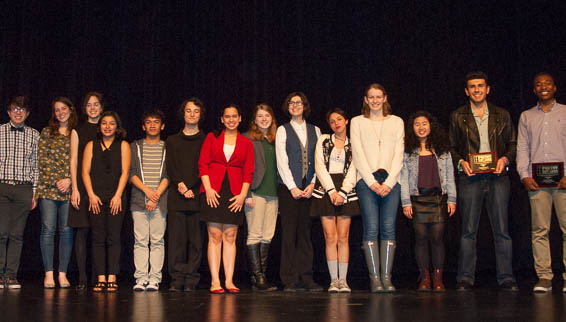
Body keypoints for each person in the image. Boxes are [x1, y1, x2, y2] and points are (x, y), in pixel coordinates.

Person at [448, 71, 518, 291]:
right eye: (472, 86)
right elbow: (450, 147)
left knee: (502, 230)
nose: (476, 89)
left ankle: (507, 277)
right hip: (470, 178)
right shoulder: (458, 116)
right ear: (467, 91)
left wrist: (505, 159)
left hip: (497, 177)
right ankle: (465, 279)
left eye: (480, 85)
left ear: (488, 89)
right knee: (468, 230)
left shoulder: (502, 115)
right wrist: (461, 163)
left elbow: (513, 144)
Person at [351, 83, 404, 293]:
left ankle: (387, 277)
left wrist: (389, 182)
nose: (374, 100)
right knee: (371, 228)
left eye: (378, 97)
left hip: (391, 181)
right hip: (366, 181)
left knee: (389, 227)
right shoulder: (357, 122)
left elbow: (399, 153)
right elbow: (357, 154)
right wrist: (372, 182)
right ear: (365, 99)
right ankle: (374, 278)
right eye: (371, 97)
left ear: (385, 98)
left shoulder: (396, 122)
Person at [517, 72, 566, 293]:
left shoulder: (565, 112)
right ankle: (544, 277)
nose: (543, 87)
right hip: (537, 184)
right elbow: (522, 148)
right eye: (538, 84)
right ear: (534, 90)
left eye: (547, 83)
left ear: (554, 88)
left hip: (563, 182)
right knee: (539, 230)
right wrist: (524, 176)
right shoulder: (526, 116)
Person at [199, 104, 254, 293]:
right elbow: (203, 164)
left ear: (240, 119)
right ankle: (215, 281)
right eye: (227, 116)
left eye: (234, 116)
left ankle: (229, 280)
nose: (231, 120)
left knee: (230, 237)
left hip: (235, 193)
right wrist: (208, 190)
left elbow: (249, 170)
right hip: (213, 191)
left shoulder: (246, 142)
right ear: (222, 119)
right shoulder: (211, 138)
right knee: (214, 236)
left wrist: (242, 195)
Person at [400, 111, 456, 292]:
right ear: (412, 128)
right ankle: (424, 278)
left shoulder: (442, 150)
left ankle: (438, 278)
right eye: (417, 124)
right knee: (421, 238)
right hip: (417, 199)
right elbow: (404, 177)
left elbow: (449, 176)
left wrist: (452, 199)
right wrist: (406, 202)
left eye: (424, 123)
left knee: (437, 238)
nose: (421, 127)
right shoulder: (407, 151)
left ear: (430, 126)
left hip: (438, 199)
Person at [276, 92, 322, 292]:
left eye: (299, 102)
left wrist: (312, 184)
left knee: (305, 233)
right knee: (289, 234)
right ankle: (289, 279)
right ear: (287, 106)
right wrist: (292, 186)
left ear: (305, 106)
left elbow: (319, 160)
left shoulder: (316, 130)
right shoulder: (282, 130)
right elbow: (282, 161)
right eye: (291, 103)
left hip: (309, 188)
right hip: (289, 189)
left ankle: (306, 276)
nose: (295, 106)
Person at [311, 108, 359, 293]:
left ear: (346, 121)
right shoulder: (323, 140)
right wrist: (331, 191)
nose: (336, 123)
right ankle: (333, 281)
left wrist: (343, 192)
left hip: (346, 190)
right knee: (330, 237)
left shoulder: (354, 143)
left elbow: (356, 167)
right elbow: (319, 165)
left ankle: (343, 280)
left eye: (339, 119)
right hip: (326, 189)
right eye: (332, 121)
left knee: (343, 237)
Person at [82, 111, 130, 292]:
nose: (108, 126)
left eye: (111, 123)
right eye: (104, 123)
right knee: (98, 238)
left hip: (116, 198)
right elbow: (85, 172)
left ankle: (112, 277)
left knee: (114, 238)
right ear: (99, 126)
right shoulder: (90, 145)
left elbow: (125, 172)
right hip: (95, 197)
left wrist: (118, 195)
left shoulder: (123, 145)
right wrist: (91, 195)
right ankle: (101, 277)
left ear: (117, 127)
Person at [36, 97, 79, 288]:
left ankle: (62, 273)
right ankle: (49, 274)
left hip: (69, 190)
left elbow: (78, 161)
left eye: (63, 109)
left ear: (70, 110)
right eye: (56, 110)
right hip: (48, 188)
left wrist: (69, 180)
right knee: (48, 230)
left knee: (66, 231)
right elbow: (42, 160)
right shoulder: (46, 132)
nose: (60, 112)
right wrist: (57, 180)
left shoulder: (76, 133)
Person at [166, 98, 206, 292]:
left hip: (197, 196)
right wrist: (181, 184)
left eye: (195, 111)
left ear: (200, 114)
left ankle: (191, 278)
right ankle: (177, 278)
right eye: (188, 111)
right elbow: (171, 166)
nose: (191, 114)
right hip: (177, 196)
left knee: (196, 242)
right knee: (176, 241)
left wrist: (192, 186)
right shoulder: (172, 140)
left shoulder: (206, 140)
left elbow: (205, 167)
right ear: (183, 114)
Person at [0, 96, 39, 289]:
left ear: (27, 113)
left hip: (24, 187)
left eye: (22, 109)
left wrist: (34, 192)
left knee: (16, 234)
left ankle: (11, 275)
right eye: (14, 109)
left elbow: (36, 166)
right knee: (1, 232)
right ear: (8, 112)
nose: (18, 112)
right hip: (2, 186)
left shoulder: (34, 134)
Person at [68, 92, 104, 290]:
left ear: (101, 107)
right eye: (89, 104)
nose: (92, 108)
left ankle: (98, 276)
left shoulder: (107, 128)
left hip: (102, 185)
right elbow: (74, 160)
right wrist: (75, 188)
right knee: (82, 231)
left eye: (96, 104)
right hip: (82, 186)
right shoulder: (77, 130)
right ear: (84, 108)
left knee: (99, 232)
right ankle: (82, 277)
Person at [129, 110, 168, 292]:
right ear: (143, 126)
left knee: (158, 240)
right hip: (139, 200)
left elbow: (169, 175)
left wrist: (156, 195)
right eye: (149, 122)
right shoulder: (135, 146)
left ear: (162, 126)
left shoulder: (168, 147)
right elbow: (131, 174)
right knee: (141, 240)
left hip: (160, 201)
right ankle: (141, 277)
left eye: (156, 122)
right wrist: (146, 192)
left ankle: (155, 278)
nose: (152, 125)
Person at [243, 104, 278, 291]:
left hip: (274, 193)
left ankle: (261, 277)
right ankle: (257, 276)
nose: (264, 119)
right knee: (255, 233)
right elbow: (241, 168)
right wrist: (246, 193)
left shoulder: (276, 138)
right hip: (255, 192)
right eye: (260, 116)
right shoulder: (248, 138)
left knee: (268, 235)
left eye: (267, 115)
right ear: (254, 120)